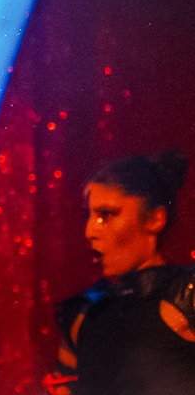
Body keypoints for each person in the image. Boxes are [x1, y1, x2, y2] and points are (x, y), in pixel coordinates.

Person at [45, 152, 195, 395]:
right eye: (89, 216)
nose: (89, 230)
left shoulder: (187, 296)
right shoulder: (82, 315)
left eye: (106, 215)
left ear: (155, 219)